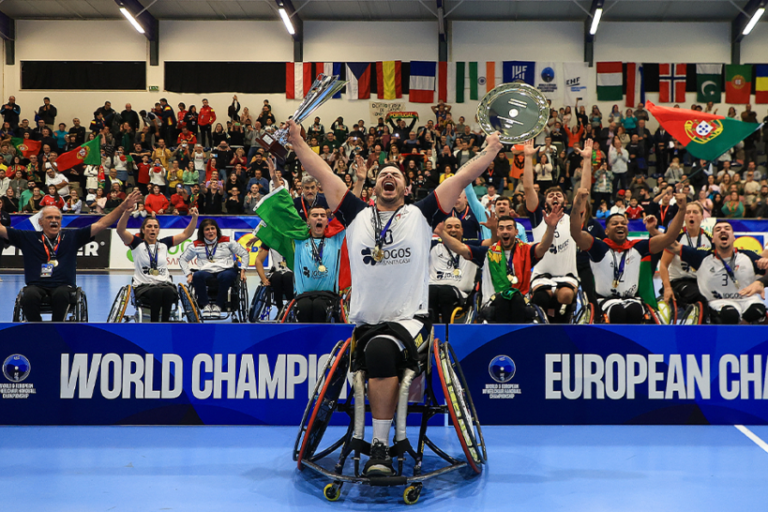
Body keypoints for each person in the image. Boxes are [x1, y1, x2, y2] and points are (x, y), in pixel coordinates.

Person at [287, 116, 502, 477]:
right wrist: (296, 142)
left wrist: (491, 150)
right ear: (374, 187)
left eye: (396, 175)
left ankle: (381, 447)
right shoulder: (356, 214)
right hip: (367, 322)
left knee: (381, 351)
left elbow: (462, 177)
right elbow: (323, 173)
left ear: (405, 187)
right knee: (372, 348)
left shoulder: (420, 213)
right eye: (383, 174)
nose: (389, 177)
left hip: (409, 320)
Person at [0, 190, 141, 321]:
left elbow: (102, 224)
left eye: (57, 218)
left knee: (61, 295)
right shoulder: (27, 237)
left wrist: (122, 207)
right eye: (49, 218)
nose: (54, 220)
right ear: (40, 222)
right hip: (36, 285)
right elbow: (2, 230)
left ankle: (57, 327)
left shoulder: (72, 236)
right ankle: (37, 327)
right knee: (29, 296)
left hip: (63, 285)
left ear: (61, 222)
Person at [569, 188, 687, 324]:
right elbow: (575, 232)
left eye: (623, 223)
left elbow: (669, 237)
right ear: (606, 231)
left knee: (635, 310)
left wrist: (682, 209)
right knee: (617, 312)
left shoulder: (638, 247)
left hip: (632, 300)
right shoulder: (598, 247)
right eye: (615, 224)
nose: (620, 225)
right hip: (605, 301)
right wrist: (578, 202)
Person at [252, 156, 348, 323]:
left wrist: (359, 181)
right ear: (301, 188)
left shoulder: (334, 234)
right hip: (302, 242)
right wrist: (275, 180)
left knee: (319, 307)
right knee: (302, 307)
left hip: (326, 290)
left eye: (322, 215)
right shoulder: (297, 218)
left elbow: (347, 210)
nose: (319, 217)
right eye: (315, 215)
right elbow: (283, 211)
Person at [523, 139, 590, 323]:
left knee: (566, 296)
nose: (554, 196)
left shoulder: (572, 219)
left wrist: (587, 160)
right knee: (541, 299)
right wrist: (528, 157)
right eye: (551, 195)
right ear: (545, 202)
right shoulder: (539, 218)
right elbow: (528, 188)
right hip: (541, 276)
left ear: (565, 202)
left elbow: (584, 192)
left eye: (558, 194)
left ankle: (563, 322)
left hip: (566, 276)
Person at [114, 203, 198, 322]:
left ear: (158, 230)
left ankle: (164, 323)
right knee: (156, 292)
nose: (152, 229)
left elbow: (186, 234)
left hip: (164, 284)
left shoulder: (164, 243)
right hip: (143, 286)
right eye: (149, 226)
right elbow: (120, 230)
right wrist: (127, 213)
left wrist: (194, 218)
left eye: (155, 226)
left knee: (169, 291)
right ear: (143, 230)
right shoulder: (136, 243)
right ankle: (154, 324)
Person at [671, 220, 766, 324]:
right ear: (713, 239)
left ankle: (741, 329)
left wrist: (761, 281)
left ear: (734, 237)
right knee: (730, 315)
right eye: (718, 229)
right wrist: (653, 231)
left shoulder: (748, 256)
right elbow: (672, 245)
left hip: (746, 300)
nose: (723, 231)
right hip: (718, 302)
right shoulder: (702, 256)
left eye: (727, 228)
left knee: (759, 310)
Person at [179, 218, 248, 316]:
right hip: (206, 272)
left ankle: (218, 306)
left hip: (226, 270)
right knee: (197, 276)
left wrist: (243, 271)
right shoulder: (196, 244)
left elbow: (244, 254)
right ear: (202, 232)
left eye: (213, 228)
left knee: (225, 276)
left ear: (217, 230)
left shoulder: (227, 241)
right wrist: (188, 274)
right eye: (207, 229)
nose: (210, 231)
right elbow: (182, 259)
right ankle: (206, 305)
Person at [428, 217, 486, 324]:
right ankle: (433, 330)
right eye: (449, 227)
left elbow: (491, 242)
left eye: (457, 227)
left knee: (445, 292)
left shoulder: (472, 245)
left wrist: (493, 230)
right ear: (443, 230)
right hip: (434, 288)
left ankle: (448, 331)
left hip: (460, 293)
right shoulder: (432, 245)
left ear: (462, 231)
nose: (453, 230)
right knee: (428, 292)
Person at [659, 202, 712, 308]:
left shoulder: (710, 239)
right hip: (679, 281)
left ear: (702, 217)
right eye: (688, 212)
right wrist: (667, 287)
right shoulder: (676, 237)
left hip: (702, 282)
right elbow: (663, 265)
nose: (691, 215)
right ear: (684, 217)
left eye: (695, 212)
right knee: (701, 295)